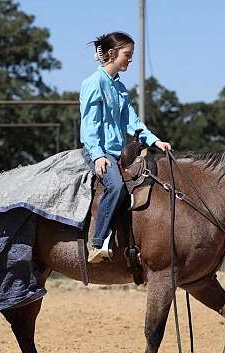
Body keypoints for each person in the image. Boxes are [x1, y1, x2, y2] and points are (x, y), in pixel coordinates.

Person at [80, 31, 172, 264]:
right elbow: (88, 125)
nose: (130, 59)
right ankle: (97, 242)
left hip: (118, 152)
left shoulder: (120, 88)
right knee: (117, 186)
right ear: (112, 54)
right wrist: (98, 155)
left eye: (131, 55)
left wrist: (154, 141)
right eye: (127, 55)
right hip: (98, 152)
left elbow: (133, 122)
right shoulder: (94, 83)